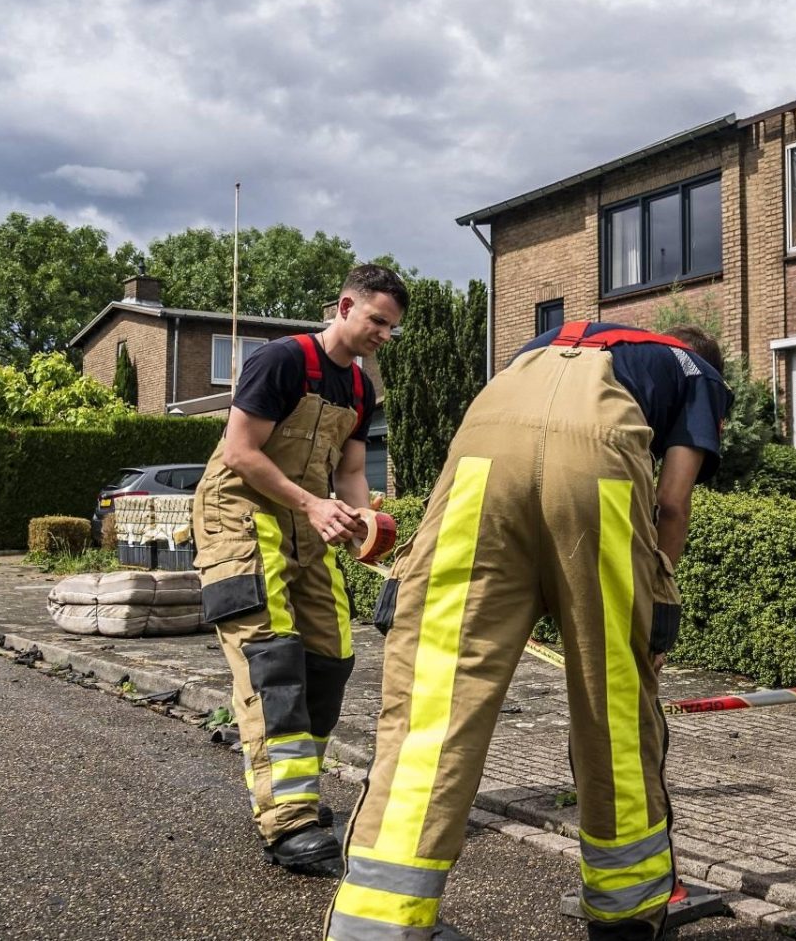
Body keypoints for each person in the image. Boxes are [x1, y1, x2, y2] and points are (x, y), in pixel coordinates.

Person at [325, 320, 731, 941]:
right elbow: (673, 502)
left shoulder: (550, 344)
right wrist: (659, 588)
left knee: (435, 701)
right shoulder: (694, 370)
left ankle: (377, 925)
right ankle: (625, 918)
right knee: (613, 704)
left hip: (480, 461)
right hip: (597, 469)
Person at [191, 264, 408, 873]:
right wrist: (314, 504)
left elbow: (350, 473)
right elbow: (239, 451)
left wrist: (364, 523)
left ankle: (299, 791)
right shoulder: (281, 361)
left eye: (391, 329)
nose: (383, 337)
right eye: (377, 322)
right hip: (238, 515)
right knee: (273, 659)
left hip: (305, 522)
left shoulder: (362, 390)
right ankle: (288, 822)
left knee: (331, 658)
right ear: (344, 306)